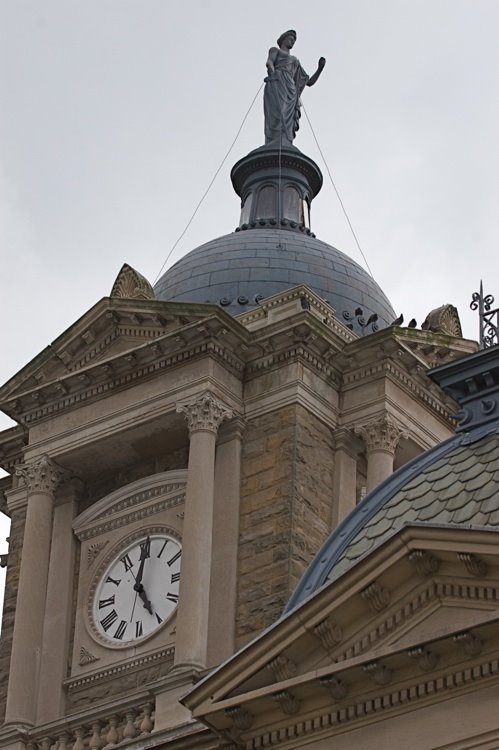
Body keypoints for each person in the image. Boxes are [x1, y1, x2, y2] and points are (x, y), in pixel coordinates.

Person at [264, 30, 325, 147]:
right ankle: (274, 142)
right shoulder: (275, 50)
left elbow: (309, 82)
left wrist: (320, 69)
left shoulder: (295, 61)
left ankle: (285, 141)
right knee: (277, 112)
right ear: (283, 39)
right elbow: (269, 61)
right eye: (291, 39)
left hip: (290, 89)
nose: (292, 42)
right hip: (277, 83)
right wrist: (271, 69)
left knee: (287, 116)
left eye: (294, 40)